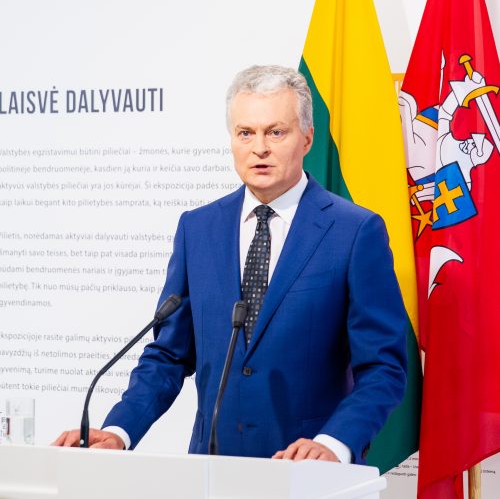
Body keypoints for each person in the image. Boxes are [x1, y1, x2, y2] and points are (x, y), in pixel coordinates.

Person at [54, 65, 407, 464]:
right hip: (212, 470)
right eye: (246, 133)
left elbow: (383, 368)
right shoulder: (197, 229)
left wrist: (335, 442)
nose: (260, 148)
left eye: (276, 132)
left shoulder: (355, 232)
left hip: (308, 475)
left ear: (307, 137)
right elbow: (168, 355)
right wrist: (119, 431)